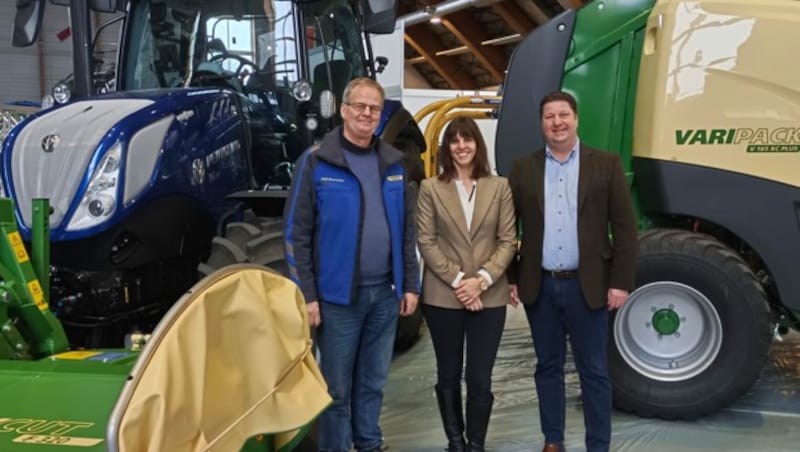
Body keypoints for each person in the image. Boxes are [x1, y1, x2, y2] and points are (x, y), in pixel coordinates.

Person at [283, 77, 420, 452]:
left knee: (374, 382)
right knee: (337, 388)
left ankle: (369, 442)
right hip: (337, 299)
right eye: (358, 106)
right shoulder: (316, 163)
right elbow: (297, 233)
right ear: (343, 110)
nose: (366, 114)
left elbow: (406, 233)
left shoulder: (394, 164)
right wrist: (307, 295)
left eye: (373, 108)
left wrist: (410, 284)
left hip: (385, 297)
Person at [507, 91, 638, 452]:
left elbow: (626, 230)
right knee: (547, 368)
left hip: (589, 286)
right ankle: (553, 440)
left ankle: (599, 444)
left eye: (563, 114)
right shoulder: (524, 168)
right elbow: (508, 229)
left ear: (576, 119)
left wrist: (621, 282)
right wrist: (512, 277)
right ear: (541, 124)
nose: (557, 122)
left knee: (593, 372)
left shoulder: (606, 164)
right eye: (549, 116)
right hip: (541, 287)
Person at [416, 117, 516, 452]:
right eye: (454, 140)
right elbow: (427, 242)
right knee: (448, 373)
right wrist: (461, 282)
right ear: (447, 147)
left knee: (479, 377)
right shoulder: (431, 188)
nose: (461, 146)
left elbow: (508, 240)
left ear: (477, 144)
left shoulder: (499, 187)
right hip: (443, 296)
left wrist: (482, 281)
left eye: (467, 139)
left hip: (489, 297)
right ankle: (455, 442)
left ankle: (476, 444)